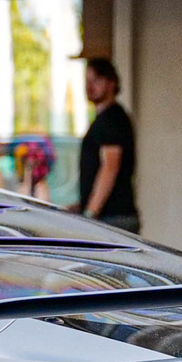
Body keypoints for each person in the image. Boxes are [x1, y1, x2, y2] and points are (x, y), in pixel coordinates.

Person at [70, 56, 138, 231]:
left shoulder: (112, 118)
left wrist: (91, 213)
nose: (90, 86)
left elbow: (110, 166)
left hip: (113, 218)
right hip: (109, 217)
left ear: (111, 83)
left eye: (97, 80)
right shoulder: (103, 119)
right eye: (87, 80)